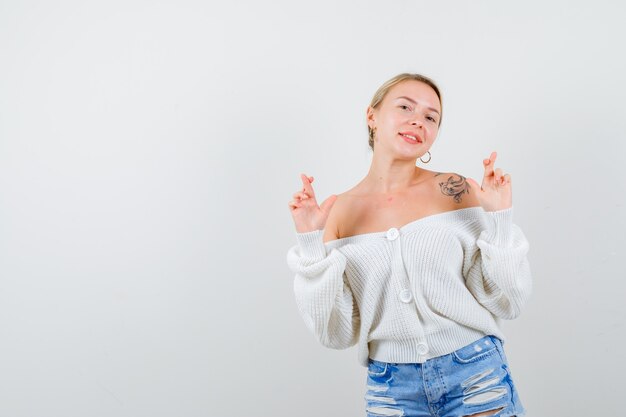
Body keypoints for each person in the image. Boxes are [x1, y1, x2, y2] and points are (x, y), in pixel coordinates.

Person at [285, 73, 532, 417]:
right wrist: (311, 246)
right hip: (391, 390)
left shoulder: (455, 190)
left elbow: (508, 300)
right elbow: (335, 334)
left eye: (431, 117)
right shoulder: (337, 212)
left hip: (475, 376)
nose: (419, 120)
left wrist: (499, 219)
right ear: (372, 116)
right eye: (405, 107)